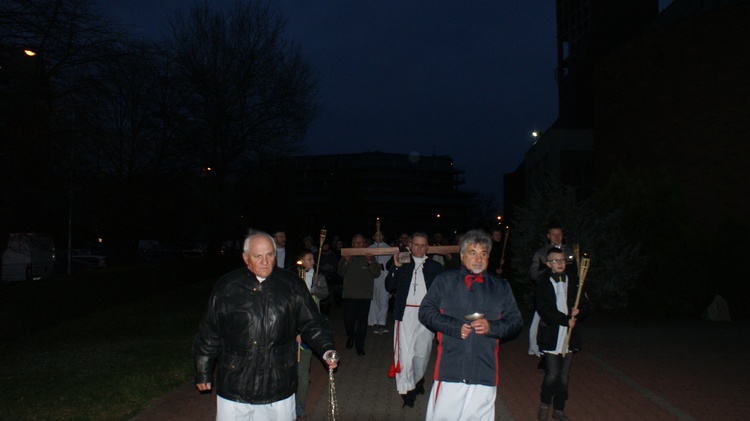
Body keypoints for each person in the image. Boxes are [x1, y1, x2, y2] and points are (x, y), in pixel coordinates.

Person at [193, 231, 338, 421]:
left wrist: (327, 349)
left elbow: (312, 323)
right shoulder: (227, 287)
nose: (264, 261)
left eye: (269, 254)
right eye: (258, 256)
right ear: (245, 258)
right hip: (236, 383)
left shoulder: (292, 285)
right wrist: (203, 370)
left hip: (278, 382)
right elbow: (209, 332)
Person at [419, 229, 523, 421]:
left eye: (483, 253)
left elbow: (515, 321)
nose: (478, 258)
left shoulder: (500, 286)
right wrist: (454, 326)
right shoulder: (445, 281)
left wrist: (492, 327)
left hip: (484, 369)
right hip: (451, 368)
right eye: (472, 252)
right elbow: (425, 312)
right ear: (461, 255)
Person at [385, 232, 444, 408]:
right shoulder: (402, 262)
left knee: (422, 354)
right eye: (415, 244)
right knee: (404, 354)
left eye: (422, 245)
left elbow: (443, 291)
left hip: (427, 315)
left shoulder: (435, 267)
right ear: (409, 245)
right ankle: (407, 390)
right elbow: (389, 286)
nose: (418, 248)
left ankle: (417, 380)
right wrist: (395, 267)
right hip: (405, 314)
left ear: (427, 247)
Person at [535, 248, 590, 421]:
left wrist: (579, 312)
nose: (559, 263)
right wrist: (564, 319)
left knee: (564, 377)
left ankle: (559, 408)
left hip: (569, 334)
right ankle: (545, 403)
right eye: (555, 261)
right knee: (552, 374)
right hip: (552, 333)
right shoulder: (542, 282)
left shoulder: (574, 280)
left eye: (562, 260)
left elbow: (585, 304)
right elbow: (544, 308)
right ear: (548, 264)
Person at [529, 222, 577, 357]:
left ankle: (565, 349)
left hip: (566, 294)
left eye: (559, 234)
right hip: (549, 294)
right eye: (554, 234)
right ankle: (542, 353)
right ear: (548, 236)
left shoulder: (569, 252)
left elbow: (575, 274)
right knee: (541, 325)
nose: (557, 237)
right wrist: (550, 269)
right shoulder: (541, 253)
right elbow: (533, 274)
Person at [294, 248, 329, 419]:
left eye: (313, 259)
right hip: (292, 332)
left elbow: (325, 293)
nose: (313, 262)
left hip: (310, 328)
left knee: (303, 371)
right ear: (301, 261)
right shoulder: (292, 278)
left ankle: (300, 404)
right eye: (309, 259)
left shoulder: (317, 276)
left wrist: (314, 288)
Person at [338, 233, 381, 355]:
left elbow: (376, 273)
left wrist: (369, 262)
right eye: (356, 242)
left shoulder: (369, 256)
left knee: (362, 323)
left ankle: (359, 345)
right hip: (349, 295)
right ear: (352, 244)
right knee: (348, 321)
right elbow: (340, 272)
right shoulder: (346, 255)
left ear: (364, 244)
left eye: (360, 242)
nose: (358, 245)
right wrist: (345, 262)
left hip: (364, 296)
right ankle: (351, 336)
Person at [368, 230, 392, 335]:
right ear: (373, 237)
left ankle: (381, 323)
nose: (379, 237)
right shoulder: (369, 249)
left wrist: (381, 267)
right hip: (373, 279)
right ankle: (375, 322)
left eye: (380, 235)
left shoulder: (388, 249)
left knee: (384, 300)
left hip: (384, 277)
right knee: (375, 301)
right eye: (376, 235)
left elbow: (390, 265)